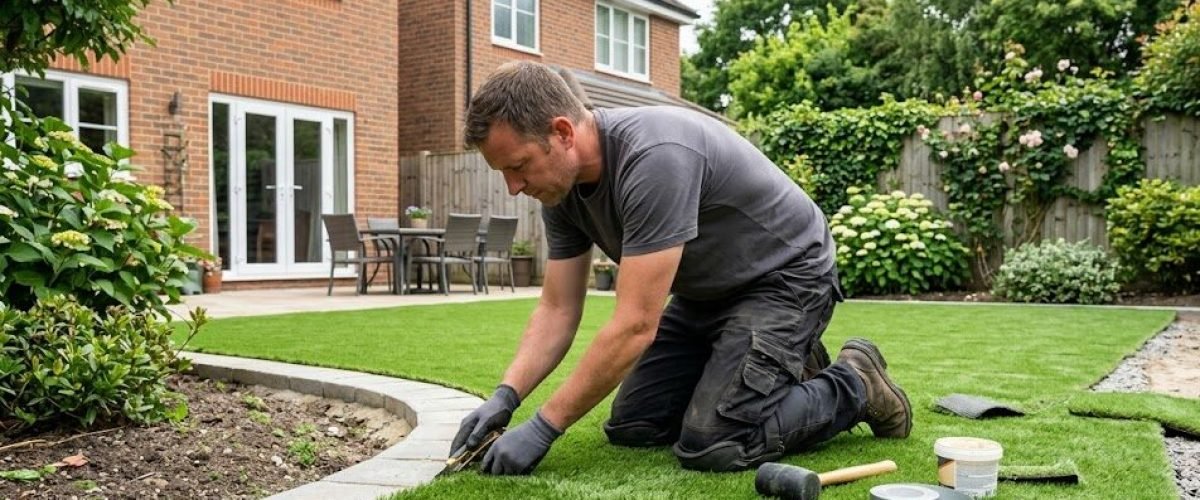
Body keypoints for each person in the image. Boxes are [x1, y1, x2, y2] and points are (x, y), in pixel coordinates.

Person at [451, 61, 912, 476]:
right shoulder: (560, 191)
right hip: (706, 293)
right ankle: (777, 367)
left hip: (785, 278)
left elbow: (634, 326)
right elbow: (556, 309)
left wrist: (544, 427)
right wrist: (506, 396)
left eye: (519, 166)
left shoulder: (654, 157)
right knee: (634, 424)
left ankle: (856, 382)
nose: (513, 187)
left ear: (563, 133)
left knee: (712, 443)